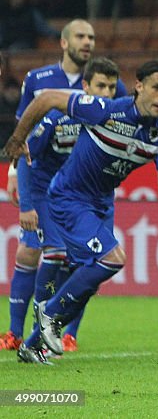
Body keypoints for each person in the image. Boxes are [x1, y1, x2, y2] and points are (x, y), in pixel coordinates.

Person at [3, 60, 158, 364]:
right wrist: (17, 140)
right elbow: (46, 99)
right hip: (69, 197)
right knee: (113, 259)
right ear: (139, 86)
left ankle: (31, 346)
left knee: (89, 275)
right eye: (156, 87)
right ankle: (49, 314)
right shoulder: (105, 110)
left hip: (100, 203)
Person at [1, 19, 128, 353]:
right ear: (63, 42)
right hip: (44, 181)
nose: (87, 42)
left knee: (86, 261)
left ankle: (65, 331)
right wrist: (14, 177)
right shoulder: (39, 81)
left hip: (86, 184)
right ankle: (18, 332)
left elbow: (125, 123)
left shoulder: (112, 84)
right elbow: (24, 133)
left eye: (92, 37)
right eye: (81, 36)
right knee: (33, 250)